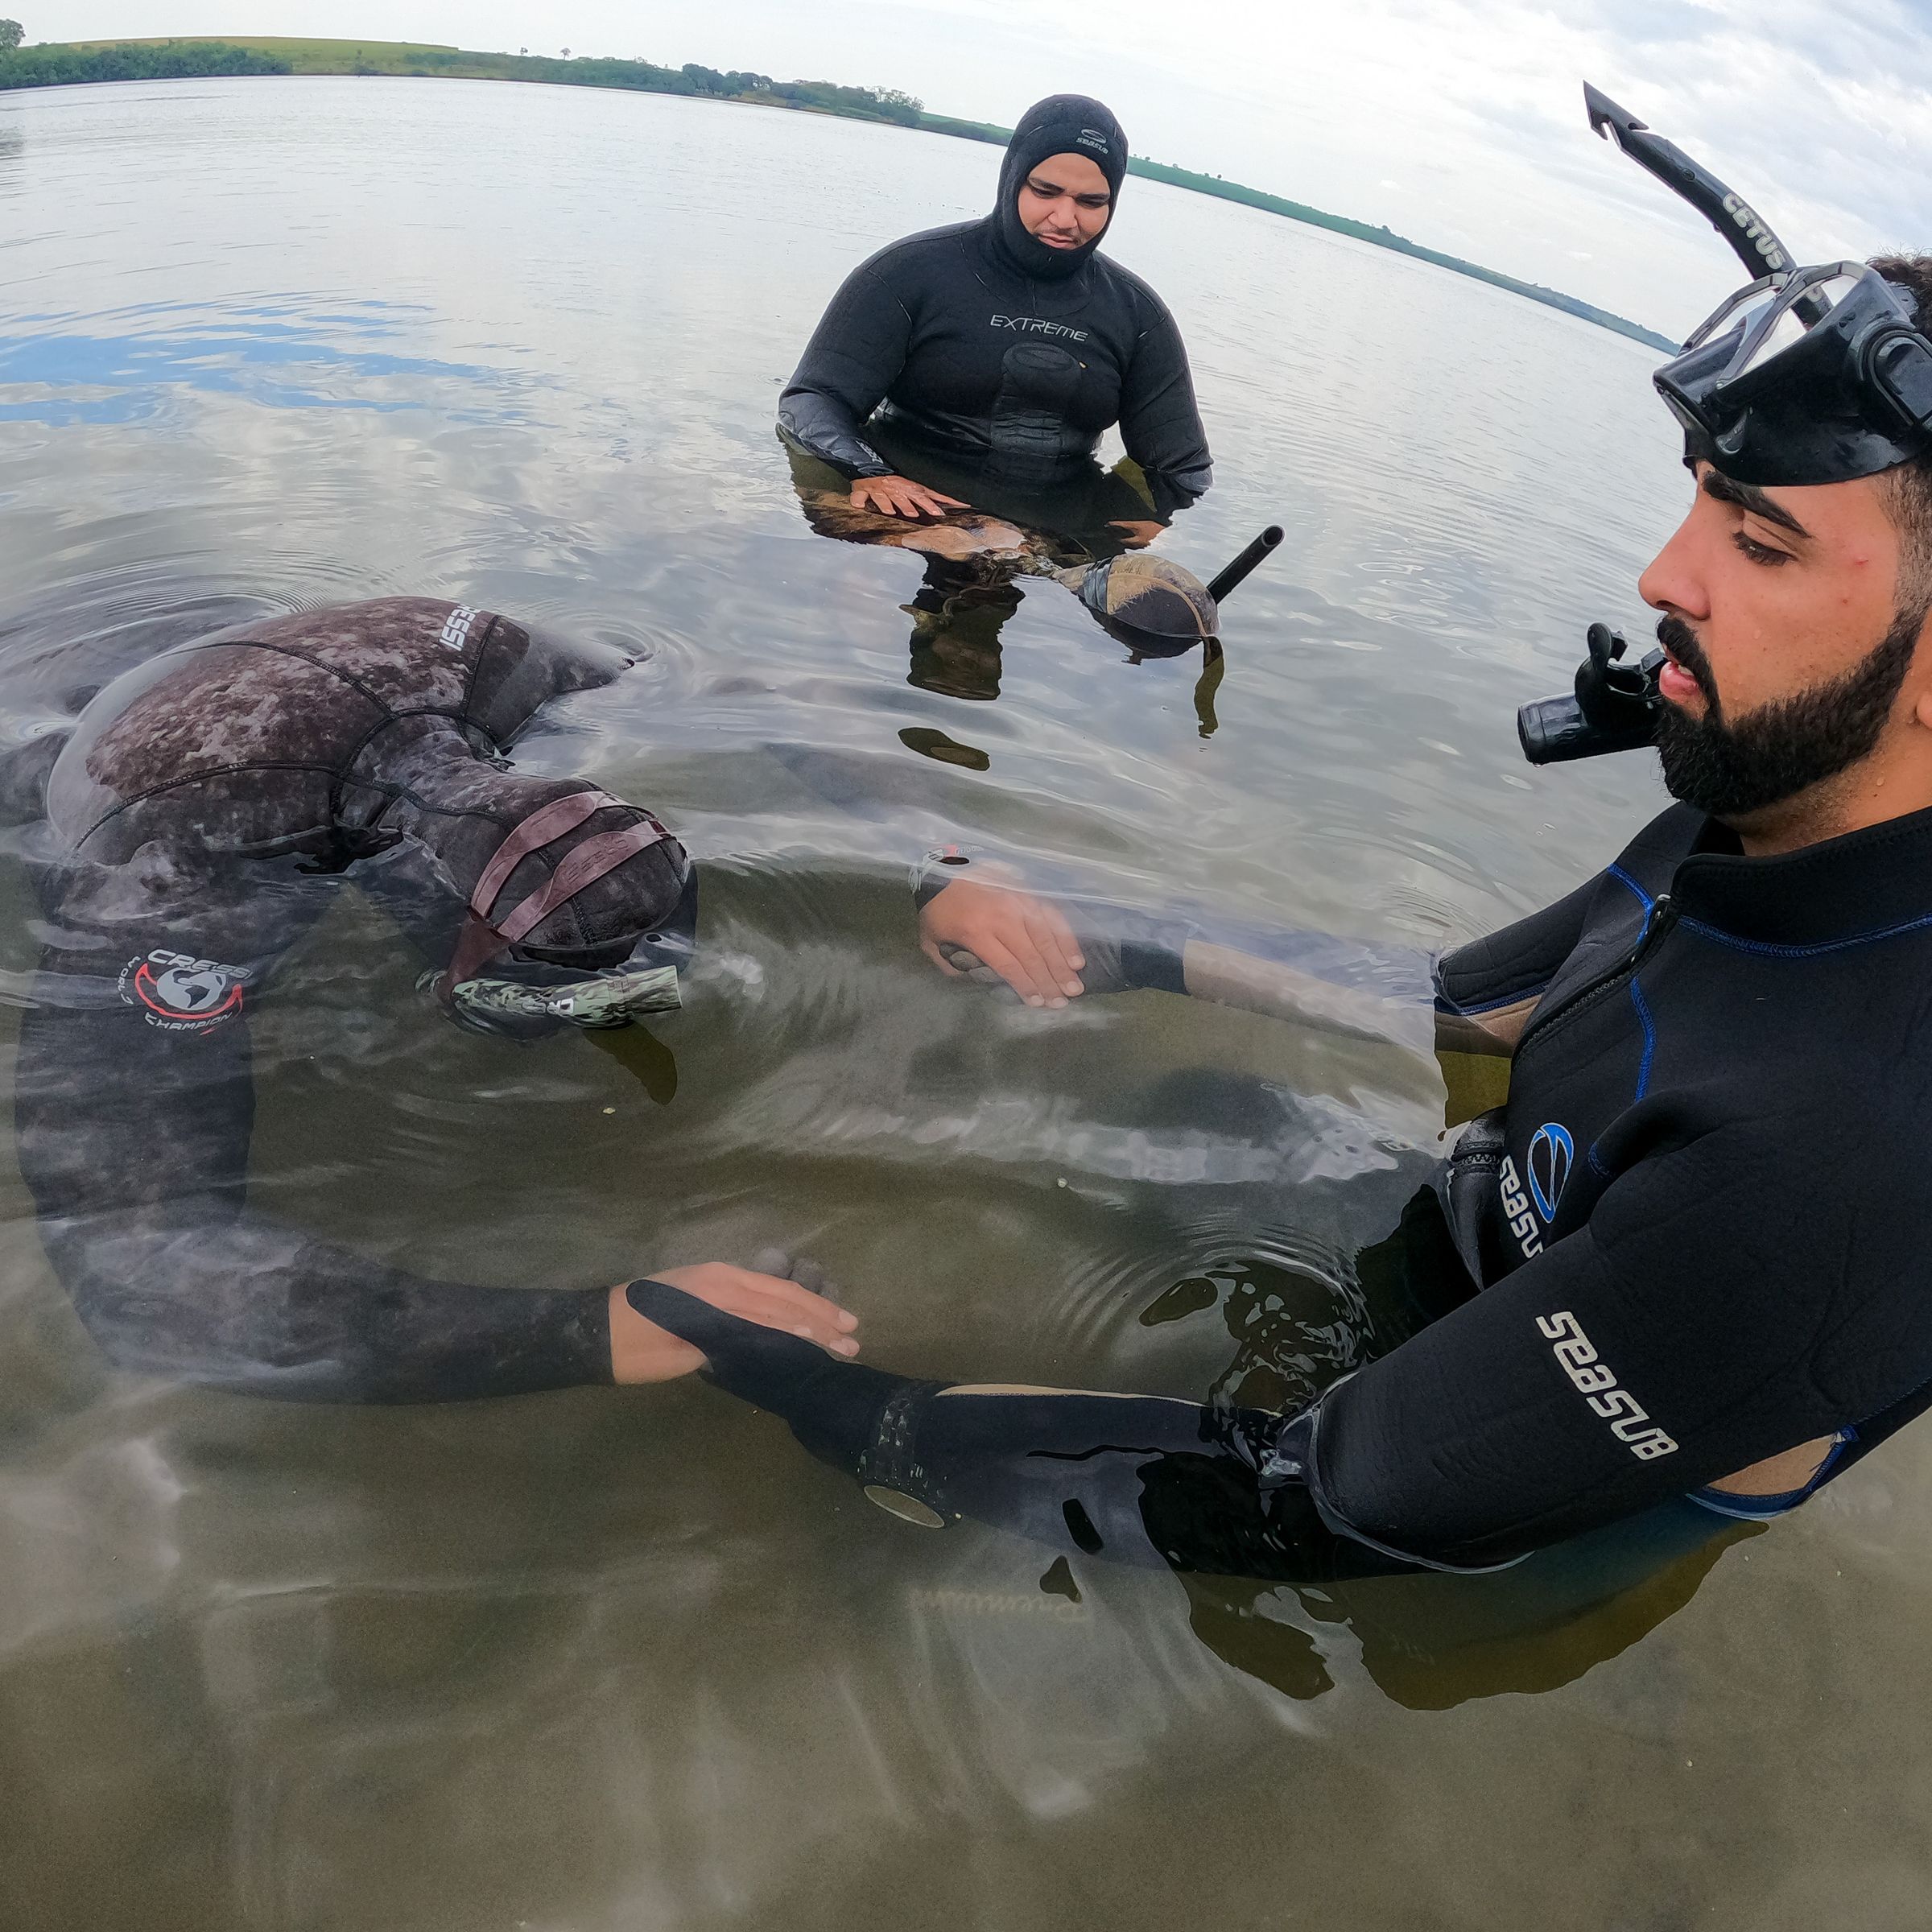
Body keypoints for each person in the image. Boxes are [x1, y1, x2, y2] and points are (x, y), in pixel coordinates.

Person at [621, 244, 1932, 1582]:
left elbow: (1322, 1498)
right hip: (1482, 1235)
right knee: (1186, 1108)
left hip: (1520, 1511)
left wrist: (840, 1408)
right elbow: (1456, 1002)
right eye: (1699, 506)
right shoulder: (1778, 801)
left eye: (1760, 543)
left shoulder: (1842, 1163)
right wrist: (1098, 936)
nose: (1661, 578)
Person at [12, 597, 853, 1399]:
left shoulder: (510, 661)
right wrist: (596, 1331)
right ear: (474, 939)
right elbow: (141, 1280)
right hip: (55, 707)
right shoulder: (180, 879)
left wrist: (926, 863)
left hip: (232, 641)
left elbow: (745, 690)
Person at [777, 94, 1213, 532]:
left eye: (1091, 201)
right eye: (1045, 192)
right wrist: (867, 472)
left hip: (1049, 532)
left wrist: (1144, 525)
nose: (1065, 218)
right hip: (908, 510)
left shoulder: (1138, 315)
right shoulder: (907, 273)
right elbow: (812, 400)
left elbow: (1183, 470)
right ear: (1012, 179)